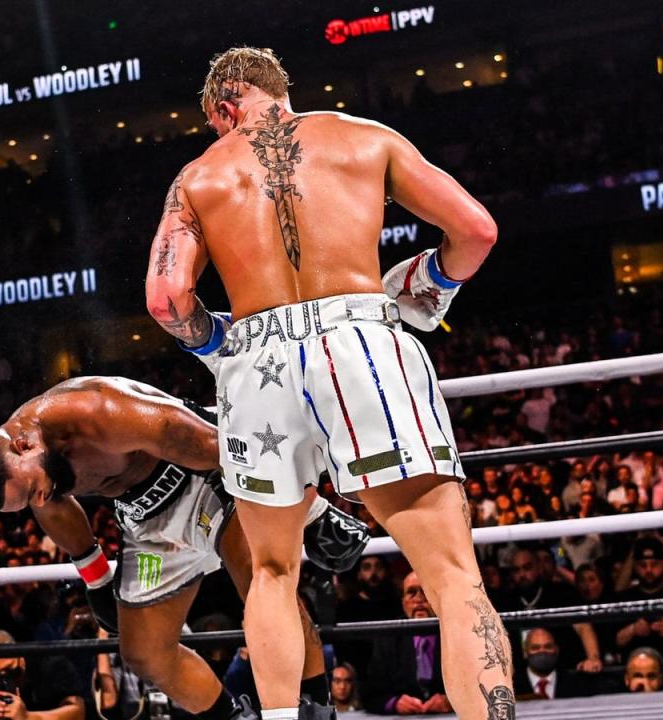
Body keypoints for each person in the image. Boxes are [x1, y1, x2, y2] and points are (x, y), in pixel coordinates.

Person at [144, 46, 511, 720]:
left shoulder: (197, 177)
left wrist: (220, 343)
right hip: (362, 342)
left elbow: (166, 300)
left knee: (273, 574)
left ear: (226, 103)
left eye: (213, 121)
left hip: (257, 369)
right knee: (454, 576)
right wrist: (428, 288)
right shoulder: (365, 137)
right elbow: (476, 229)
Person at [0, 376, 368, 720]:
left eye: (31, 490)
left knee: (266, 586)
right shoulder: (30, 463)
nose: (38, 501)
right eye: (26, 502)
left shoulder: (95, 411)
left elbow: (207, 440)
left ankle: (314, 709)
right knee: (145, 652)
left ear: (25, 446)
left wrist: (308, 507)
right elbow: (54, 505)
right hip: (144, 519)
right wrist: (97, 578)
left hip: (206, 477)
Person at [364, 571, 450, 715]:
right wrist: (394, 703)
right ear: (403, 602)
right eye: (411, 592)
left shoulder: (454, 634)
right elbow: (370, 693)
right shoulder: (388, 638)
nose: (419, 599)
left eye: (425, 591)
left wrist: (451, 701)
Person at [0, 630, 84, 720]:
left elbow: (78, 712)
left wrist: (28, 717)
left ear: (20, 655)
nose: (4, 676)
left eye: (10, 670)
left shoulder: (51, 664)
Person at [513, 628, 590, 700]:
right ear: (526, 652)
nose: (542, 651)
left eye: (548, 647)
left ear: (556, 650)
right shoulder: (511, 685)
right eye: (535, 648)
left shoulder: (576, 683)